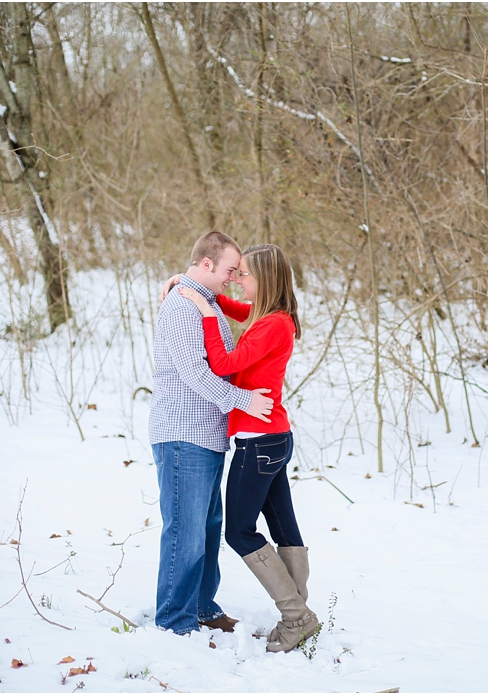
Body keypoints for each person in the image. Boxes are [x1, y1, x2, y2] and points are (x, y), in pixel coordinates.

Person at [173, 243, 320, 653]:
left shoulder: (273, 324)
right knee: (284, 528)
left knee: (239, 531)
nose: (238, 280)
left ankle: (296, 616)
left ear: (266, 280)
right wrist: (201, 291)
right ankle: (298, 618)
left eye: (245, 274)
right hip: (272, 439)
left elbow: (223, 365)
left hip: (259, 442)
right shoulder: (272, 316)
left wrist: (203, 312)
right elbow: (237, 310)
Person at [149, 232, 275, 637]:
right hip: (183, 433)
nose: (233, 278)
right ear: (206, 264)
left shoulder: (200, 300)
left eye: (239, 272)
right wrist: (244, 401)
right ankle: (174, 621)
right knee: (184, 531)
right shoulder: (183, 306)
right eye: (229, 270)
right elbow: (196, 374)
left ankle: (202, 607)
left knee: (206, 528)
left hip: (205, 435)